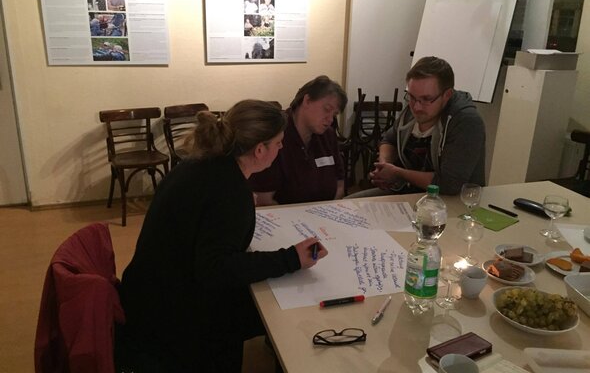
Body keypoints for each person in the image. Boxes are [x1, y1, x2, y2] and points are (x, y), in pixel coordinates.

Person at [115, 100, 327, 372]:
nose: (282, 147)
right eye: (278, 143)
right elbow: (216, 269)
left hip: (147, 294)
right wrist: (291, 258)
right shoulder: (230, 189)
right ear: (260, 150)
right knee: (277, 311)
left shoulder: (202, 165)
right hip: (171, 317)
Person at [351, 56, 485, 197]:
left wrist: (397, 173)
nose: (416, 107)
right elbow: (389, 139)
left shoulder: (466, 122)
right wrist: (384, 166)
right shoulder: (414, 108)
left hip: (451, 200)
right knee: (346, 204)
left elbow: (449, 184)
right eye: (412, 97)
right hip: (407, 192)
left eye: (426, 99)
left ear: (447, 95)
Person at [250, 76, 348, 205]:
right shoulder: (275, 134)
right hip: (283, 215)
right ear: (307, 100)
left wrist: (328, 211)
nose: (330, 119)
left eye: (334, 114)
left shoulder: (328, 135)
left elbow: (339, 185)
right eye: (327, 109)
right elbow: (263, 199)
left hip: (325, 213)